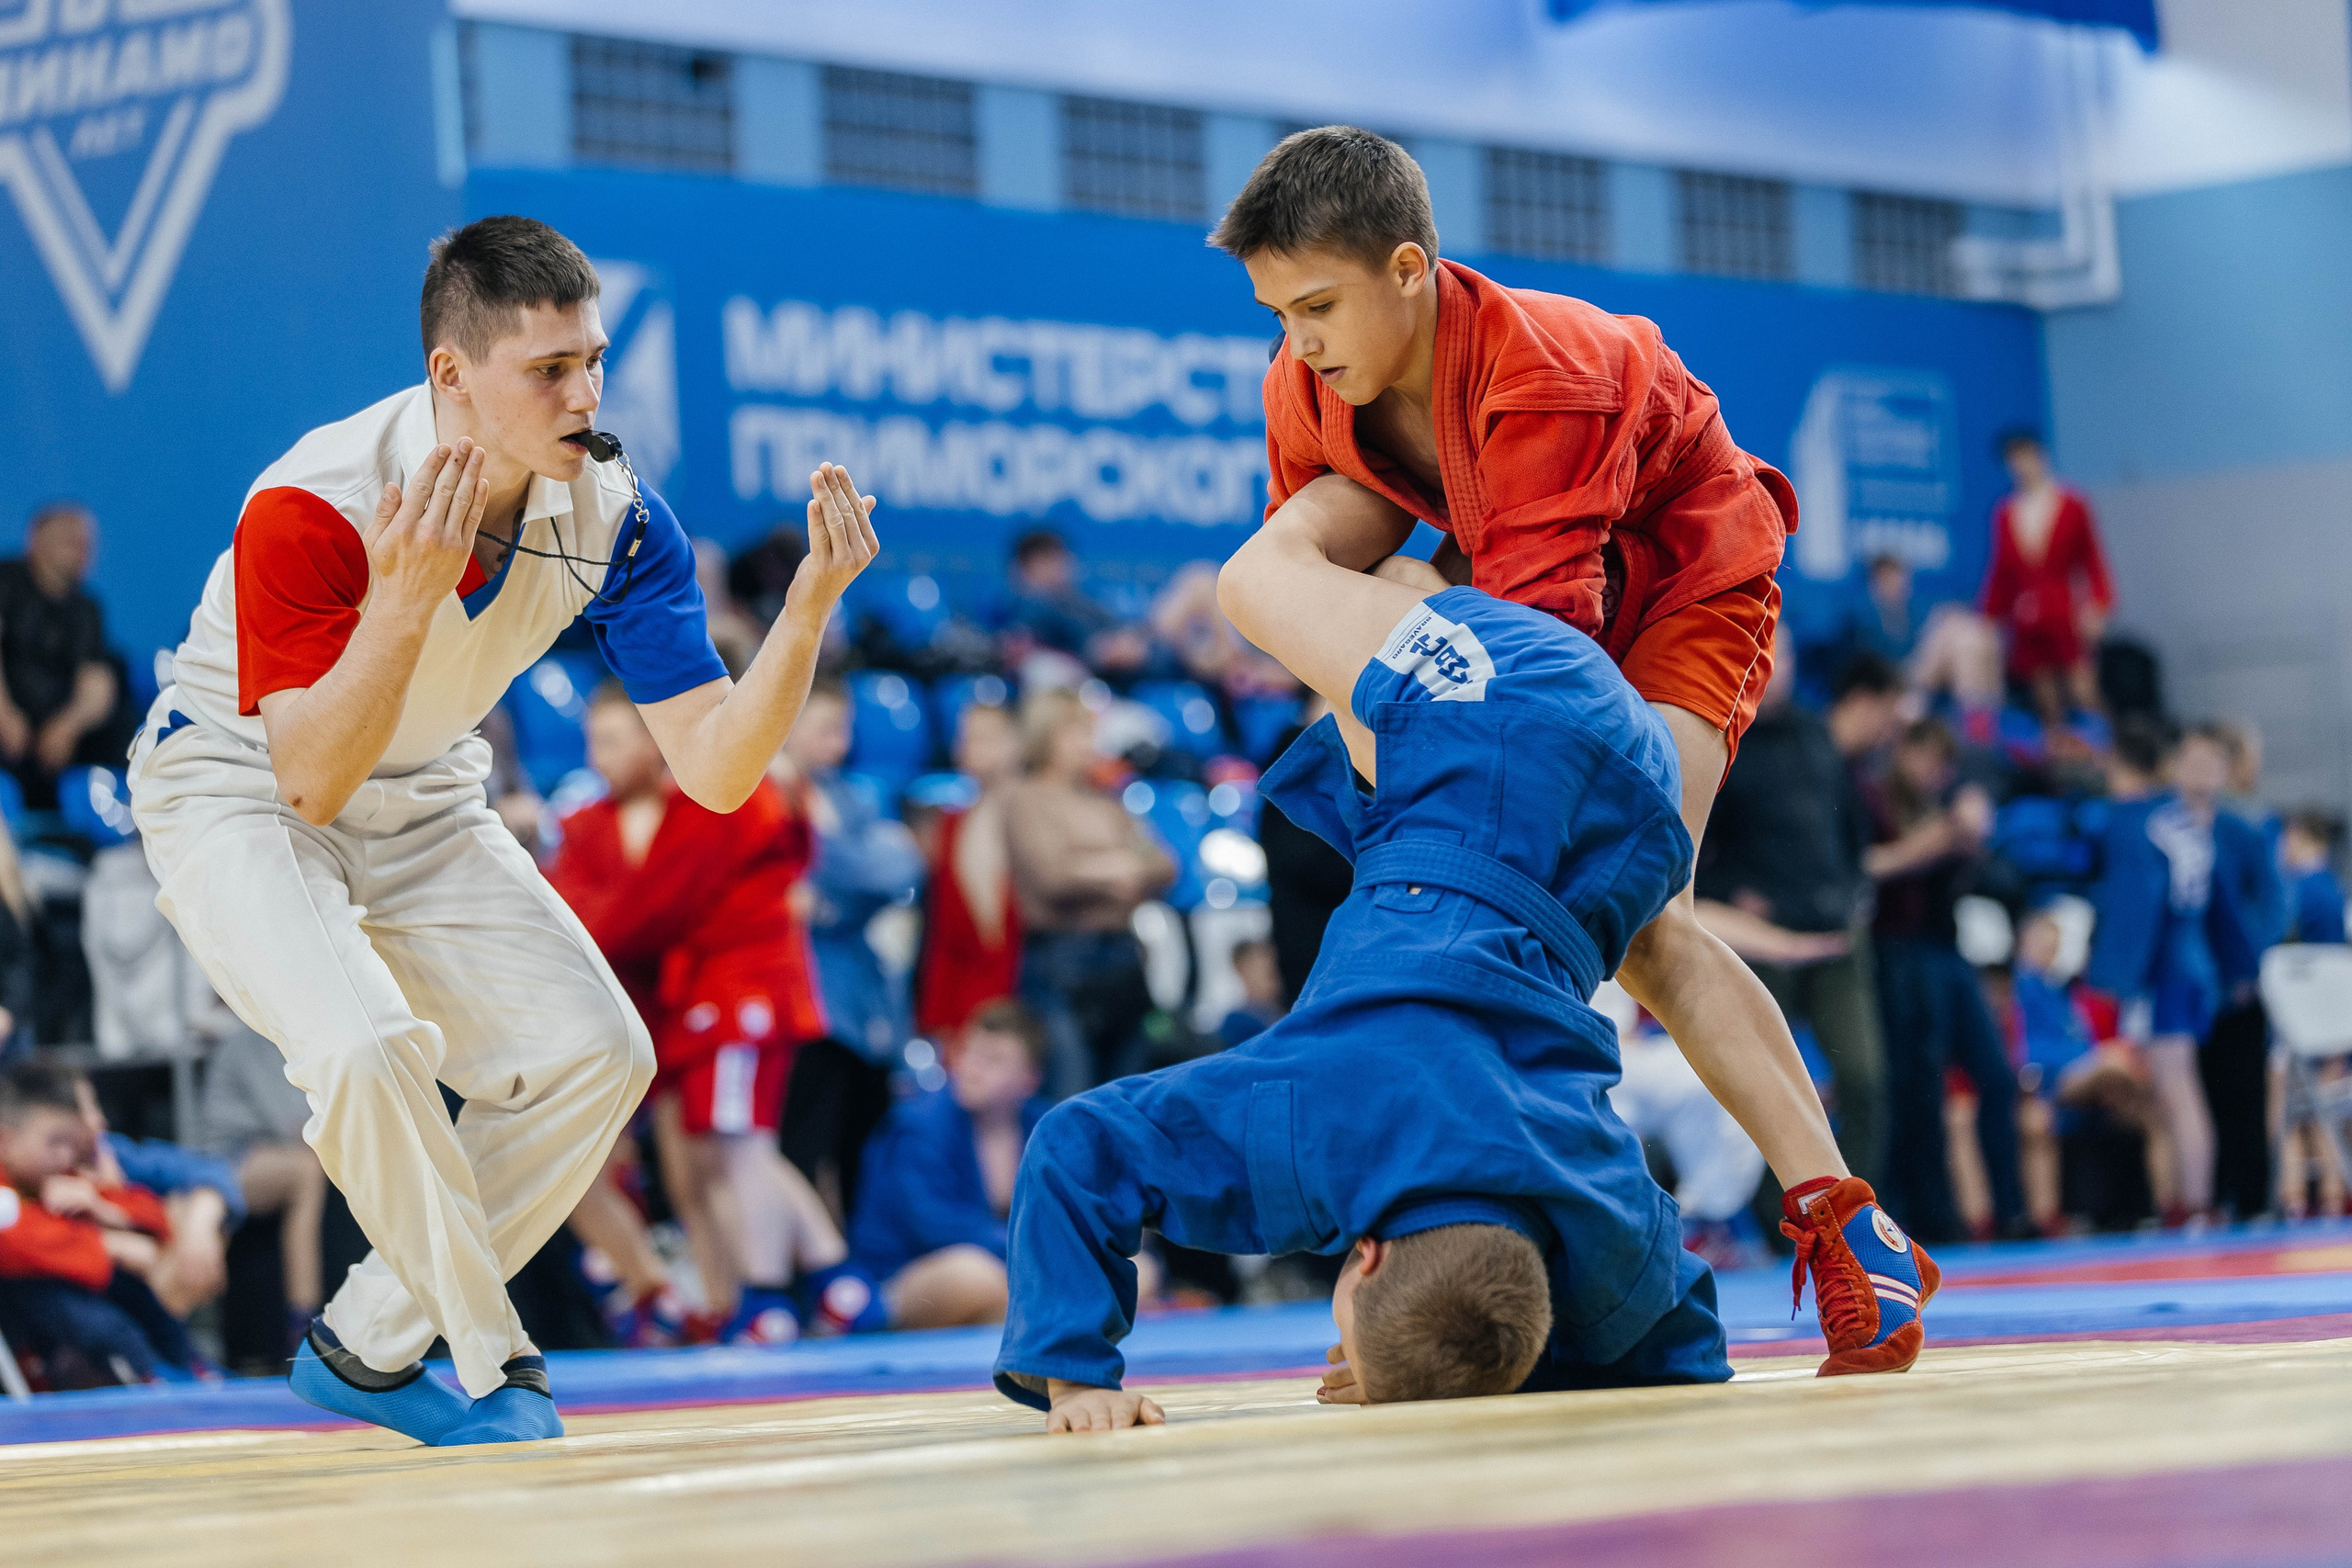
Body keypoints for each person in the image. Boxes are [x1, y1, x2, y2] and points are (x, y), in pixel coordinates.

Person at [125, 215, 880, 1445]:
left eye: (592, 360)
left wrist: (804, 615)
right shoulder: (312, 502)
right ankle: (490, 1358)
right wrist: (407, 601)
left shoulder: (624, 516)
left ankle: (366, 1347)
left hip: (421, 790)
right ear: (451, 376)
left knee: (598, 1049)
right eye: (549, 371)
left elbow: (719, 770)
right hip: (237, 782)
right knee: (368, 1048)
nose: (585, 393)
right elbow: (308, 781)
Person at [1211, 127, 1922, 1371]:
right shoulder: (1307, 380)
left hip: (1687, 570)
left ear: (1411, 267)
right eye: (1279, 313)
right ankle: (1421, 1264)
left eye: (1320, 305)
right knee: (1262, 575)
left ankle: (1844, 1219)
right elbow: (1354, 612)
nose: (1302, 341)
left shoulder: (1551, 369)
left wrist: (1430, 798)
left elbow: (1547, 685)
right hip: (1509, 597)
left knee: (1642, 920)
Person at [550, 683, 876, 1343]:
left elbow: (649, 908)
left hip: (733, 993)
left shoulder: (723, 792)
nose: (602, 755)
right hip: (697, 1001)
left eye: (618, 738)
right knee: (726, 1149)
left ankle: (769, 1297)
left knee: (734, 1148)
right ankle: (823, 1281)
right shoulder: (712, 793)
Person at [1694, 646, 1900, 1190]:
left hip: (1834, 936)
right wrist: (1731, 896)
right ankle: (1778, 1221)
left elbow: (1853, 828)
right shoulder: (1720, 739)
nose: (1773, 665)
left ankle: (1861, 1216)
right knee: (1763, 1086)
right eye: (1763, 652)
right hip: (1765, 944)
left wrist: (1855, 890)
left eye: (1782, 656)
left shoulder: (1819, 737)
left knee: (1863, 1078)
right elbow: (1694, 852)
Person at [2086, 722, 2278, 1225]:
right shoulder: (2183, 824)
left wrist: (2119, 973)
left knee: (2179, 1090)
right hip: (2187, 961)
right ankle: (2190, 1199)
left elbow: (2147, 901)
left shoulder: (2155, 821)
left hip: (2172, 967)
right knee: (2174, 1092)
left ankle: (2196, 1203)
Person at [1866, 718, 2025, 1242]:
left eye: (1942, 765)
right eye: (1926, 760)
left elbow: (1995, 880)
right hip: (1900, 952)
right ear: (1904, 753)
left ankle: (2011, 1208)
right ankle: (1935, 1214)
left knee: (1998, 1077)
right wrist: (1936, 842)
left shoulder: (1943, 808)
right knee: (1921, 1085)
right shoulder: (1876, 801)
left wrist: (1967, 841)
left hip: (1947, 952)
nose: (1935, 773)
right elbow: (1866, 870)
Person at [1004, 689, 1176, 1098]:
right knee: (1071, 1092)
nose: (1088, 744)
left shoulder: (1108, 802)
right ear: (1047, 736)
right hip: (1060, 964)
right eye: (1075, 733)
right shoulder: (1028, 799)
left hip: (1121, 960)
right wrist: (1116, 865)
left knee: (1127, 1096)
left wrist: (1093, 865)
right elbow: (1051, 878)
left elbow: (1164, 865)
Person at [851, 1000, 1049, 1329]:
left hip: (1008, 1268)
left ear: (1028, 1079)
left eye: (993, 1061)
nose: (972, 1068)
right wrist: (1037, 1246)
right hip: (905, 1277)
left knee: (1136, 1270)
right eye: (969, 1053)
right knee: (975, 1277)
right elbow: (933, 1227)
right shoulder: (918, 1124)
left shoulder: (1046, 1127)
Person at [0, 1061, 196, 1386]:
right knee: (54, 1295)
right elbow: (17, 1242)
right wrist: (109, 1245)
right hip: (35, 1339)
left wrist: (103, 1210)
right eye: (55, 1142)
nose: (65, 1156)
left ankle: (182, 1371)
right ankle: (150, 1377)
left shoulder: (62, 1175)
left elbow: (154, 1217)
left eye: (71, 1144)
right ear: (5, 1139)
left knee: (136, 1291)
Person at [2008, 903, 2158, 1235]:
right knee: (2115, 1067)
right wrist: (2089, 1059)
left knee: (2130, 1095)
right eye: (2044, 940)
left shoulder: (2061, 992)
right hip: (2046, 1078)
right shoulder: (2018, 986)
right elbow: (2022, 1047)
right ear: (2025, 940)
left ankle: (2144, 1205)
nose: (2051, 949)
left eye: (2055, 942)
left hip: (2077, 1074)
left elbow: (2081, 1040)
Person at [1981, 430, 2114, 726]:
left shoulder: (2071, 503)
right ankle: (2059, 759)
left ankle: (2103, 749)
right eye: (2013, 459)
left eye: (2026, 456)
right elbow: (2001, 573)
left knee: (2083, 688)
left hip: (2065, 609)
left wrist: (2099, 604)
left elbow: (2092, 560)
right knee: (2045, 697)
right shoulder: (2006, 512)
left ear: (2040, 456)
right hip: (2028, 613)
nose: (2020, 465)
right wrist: (1989, 617)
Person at [0, 502, 124, 809]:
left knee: (122, 717)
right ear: (36, 538)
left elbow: (97, 681)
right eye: (70, 538)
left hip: (53, 736)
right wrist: (4, 715)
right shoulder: (6, 582)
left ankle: (115, 822)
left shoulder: (87, 609)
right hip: (10, 720)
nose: (81, 548)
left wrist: (69, 725)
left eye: (87, 542)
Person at [914, 702, 1024, 1042]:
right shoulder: (949, 825)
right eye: (965, 738)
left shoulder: (1035, 818)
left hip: (1026, 994)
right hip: (966, 1000)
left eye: (985, 738)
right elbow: (944, 934)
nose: (969, 748)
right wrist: (938, 1013)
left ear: (1016, 745)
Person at [2271, 808, 2346, 1220]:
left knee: (2286, 1107)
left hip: (2300, 1017)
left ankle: (2294, 1196)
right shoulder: (2334, 890)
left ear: (2297, 836)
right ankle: (2334, 1194)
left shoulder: (2296, 890)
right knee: (2326, 1107)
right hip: (2331, 1019)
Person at [996, 529, 1114, 658]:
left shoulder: (1075, 601)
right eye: (1046, 562)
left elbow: (1114, 628)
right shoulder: (1022, 606)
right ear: (1024, 567)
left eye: (1061, 561)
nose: (1059, 569)